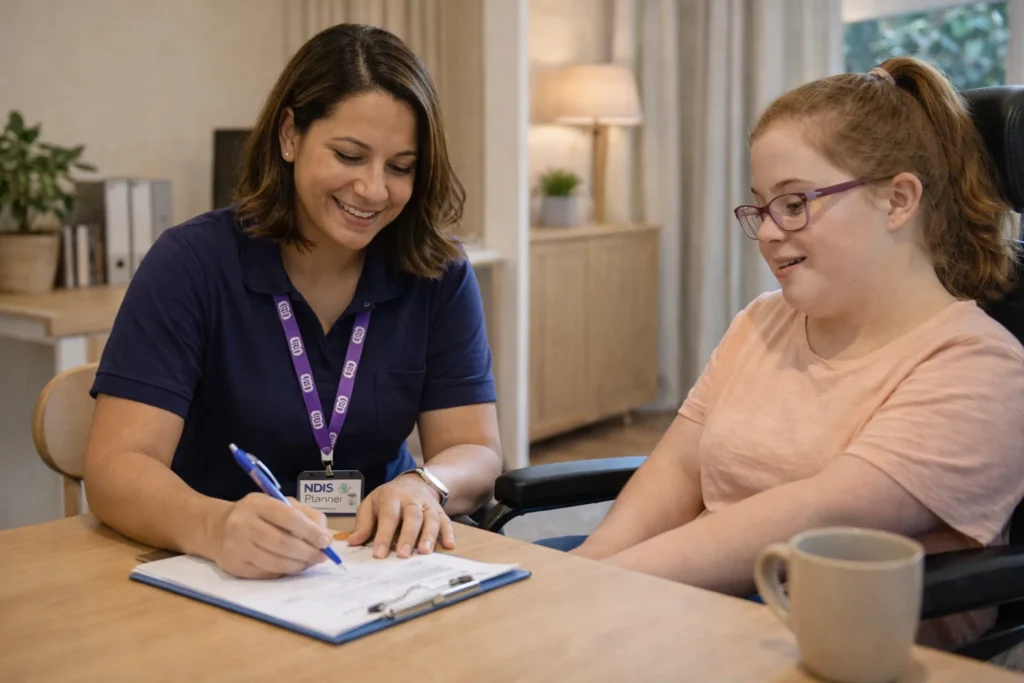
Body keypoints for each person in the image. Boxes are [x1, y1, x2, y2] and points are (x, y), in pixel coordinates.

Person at [542, 56, 1024, 648]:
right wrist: (583, 566)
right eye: (762, 207)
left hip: (824, 636)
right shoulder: (762, 321)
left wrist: (597, 587)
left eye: (795, 203)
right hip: (702, 600)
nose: (769, 231)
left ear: (898, 200)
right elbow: (678, 468)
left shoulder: (981, 368)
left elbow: (819, 514)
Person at [82, 23, 502, 580]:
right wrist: (214, 526)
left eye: (400, 167)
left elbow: (475, 448)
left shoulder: (438, 273)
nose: (374, 190)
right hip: (214, 567)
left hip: (375, 566)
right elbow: (115, 467)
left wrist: (425, 484)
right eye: (350, 156)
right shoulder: (191, 263)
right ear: (289, 135)